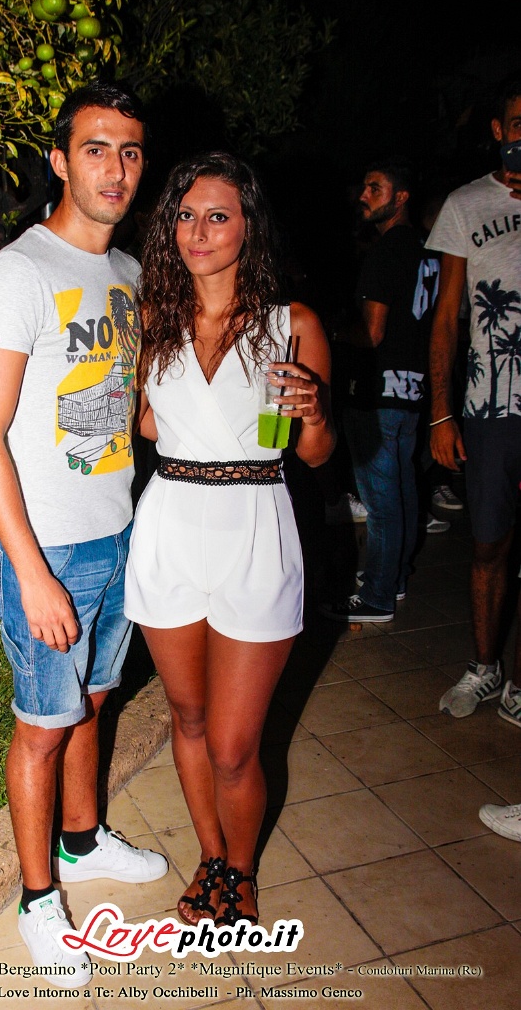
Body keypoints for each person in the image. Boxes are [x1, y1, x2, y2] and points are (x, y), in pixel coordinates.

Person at [0, 83, 168, 988]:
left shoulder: (125, 272)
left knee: (93, 701)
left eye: (129, 151)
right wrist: (31, 571)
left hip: (116, 531)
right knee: (43, 728)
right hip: (45, 549)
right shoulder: (21, 273)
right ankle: (37, 898)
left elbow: (134, 412)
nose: (115, 169)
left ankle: (80, 843)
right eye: (95, 149)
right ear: (58, 161)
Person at [124, 153, 335, 926]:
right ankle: (210, 857)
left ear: (249, 226)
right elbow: (149, 426)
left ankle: (240, 873)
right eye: (184, 215)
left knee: (233, 746)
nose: (198, 231)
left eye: (217, 216)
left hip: (255, 529)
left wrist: (314, 411)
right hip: (170, 525)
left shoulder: (291, 325)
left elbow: (314, 454)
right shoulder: (153, 320)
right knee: (186, 719)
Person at [428, 72, 521, 722]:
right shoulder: (465, 205)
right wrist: (441, 412)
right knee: (488, 545)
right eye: (518, 125)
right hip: (490, 411)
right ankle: (485, 667)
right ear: (498, 131)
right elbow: (446, 319)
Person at [320, 159, 440, 624]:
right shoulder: (429, 250)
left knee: (381, 500)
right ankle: (395, 577)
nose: (364, 195)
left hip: (378, 391)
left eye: (375, 187)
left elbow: (372, 333)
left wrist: (332, 333)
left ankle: (378, 594)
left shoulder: (386, 251)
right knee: (404, 490)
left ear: (401, 197)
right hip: (412, 387)